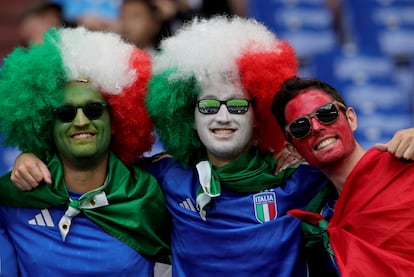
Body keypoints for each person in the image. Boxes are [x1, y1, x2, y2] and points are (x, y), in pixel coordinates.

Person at [9, 16, 414, 277]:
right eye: (209, 106)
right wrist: (33, 153)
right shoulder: (166, 177)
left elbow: (356, 170)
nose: (223, 116)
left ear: (257, 116)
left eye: (237, 104)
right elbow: (89, 159)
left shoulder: (297, 179)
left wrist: (406, 141)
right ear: (189, 116)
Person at [0, 26, 170, 276]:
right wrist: (28, 154)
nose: (80, 121)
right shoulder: (15, 197)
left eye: (93, 110)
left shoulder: (152, 193)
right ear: (49, 126)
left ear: (116, 121)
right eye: (66, 113)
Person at [271, 76, 414, 276]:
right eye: (300, 127)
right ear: (293, 149)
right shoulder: (317, 219)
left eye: (326, 113)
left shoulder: (406, 165)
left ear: (351, 118)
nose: (317, 127)